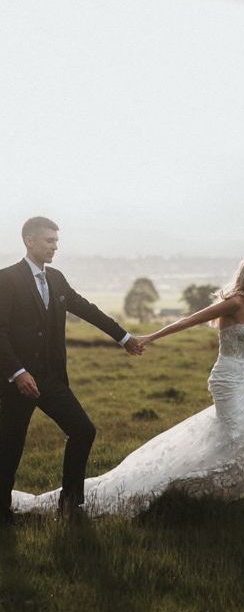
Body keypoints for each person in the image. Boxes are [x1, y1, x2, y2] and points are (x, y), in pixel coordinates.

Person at [11, 252, 244, 518]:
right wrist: (148, 337)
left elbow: (238, 342)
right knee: (235, 438)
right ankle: (182, 487)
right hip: (226, 382)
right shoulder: (234, 303)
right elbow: (188, 320)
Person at [0, 217, 144, 526]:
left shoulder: (58, 279)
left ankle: (70, 505)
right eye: (49, 241)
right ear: (29, 240)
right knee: (10, 447)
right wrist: (17, 372)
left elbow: (86, 309)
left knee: (83, 430)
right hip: (16, 382)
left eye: (56, 241)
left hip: (51, 379)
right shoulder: (6, 279)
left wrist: (124, 338)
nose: (55, 247)